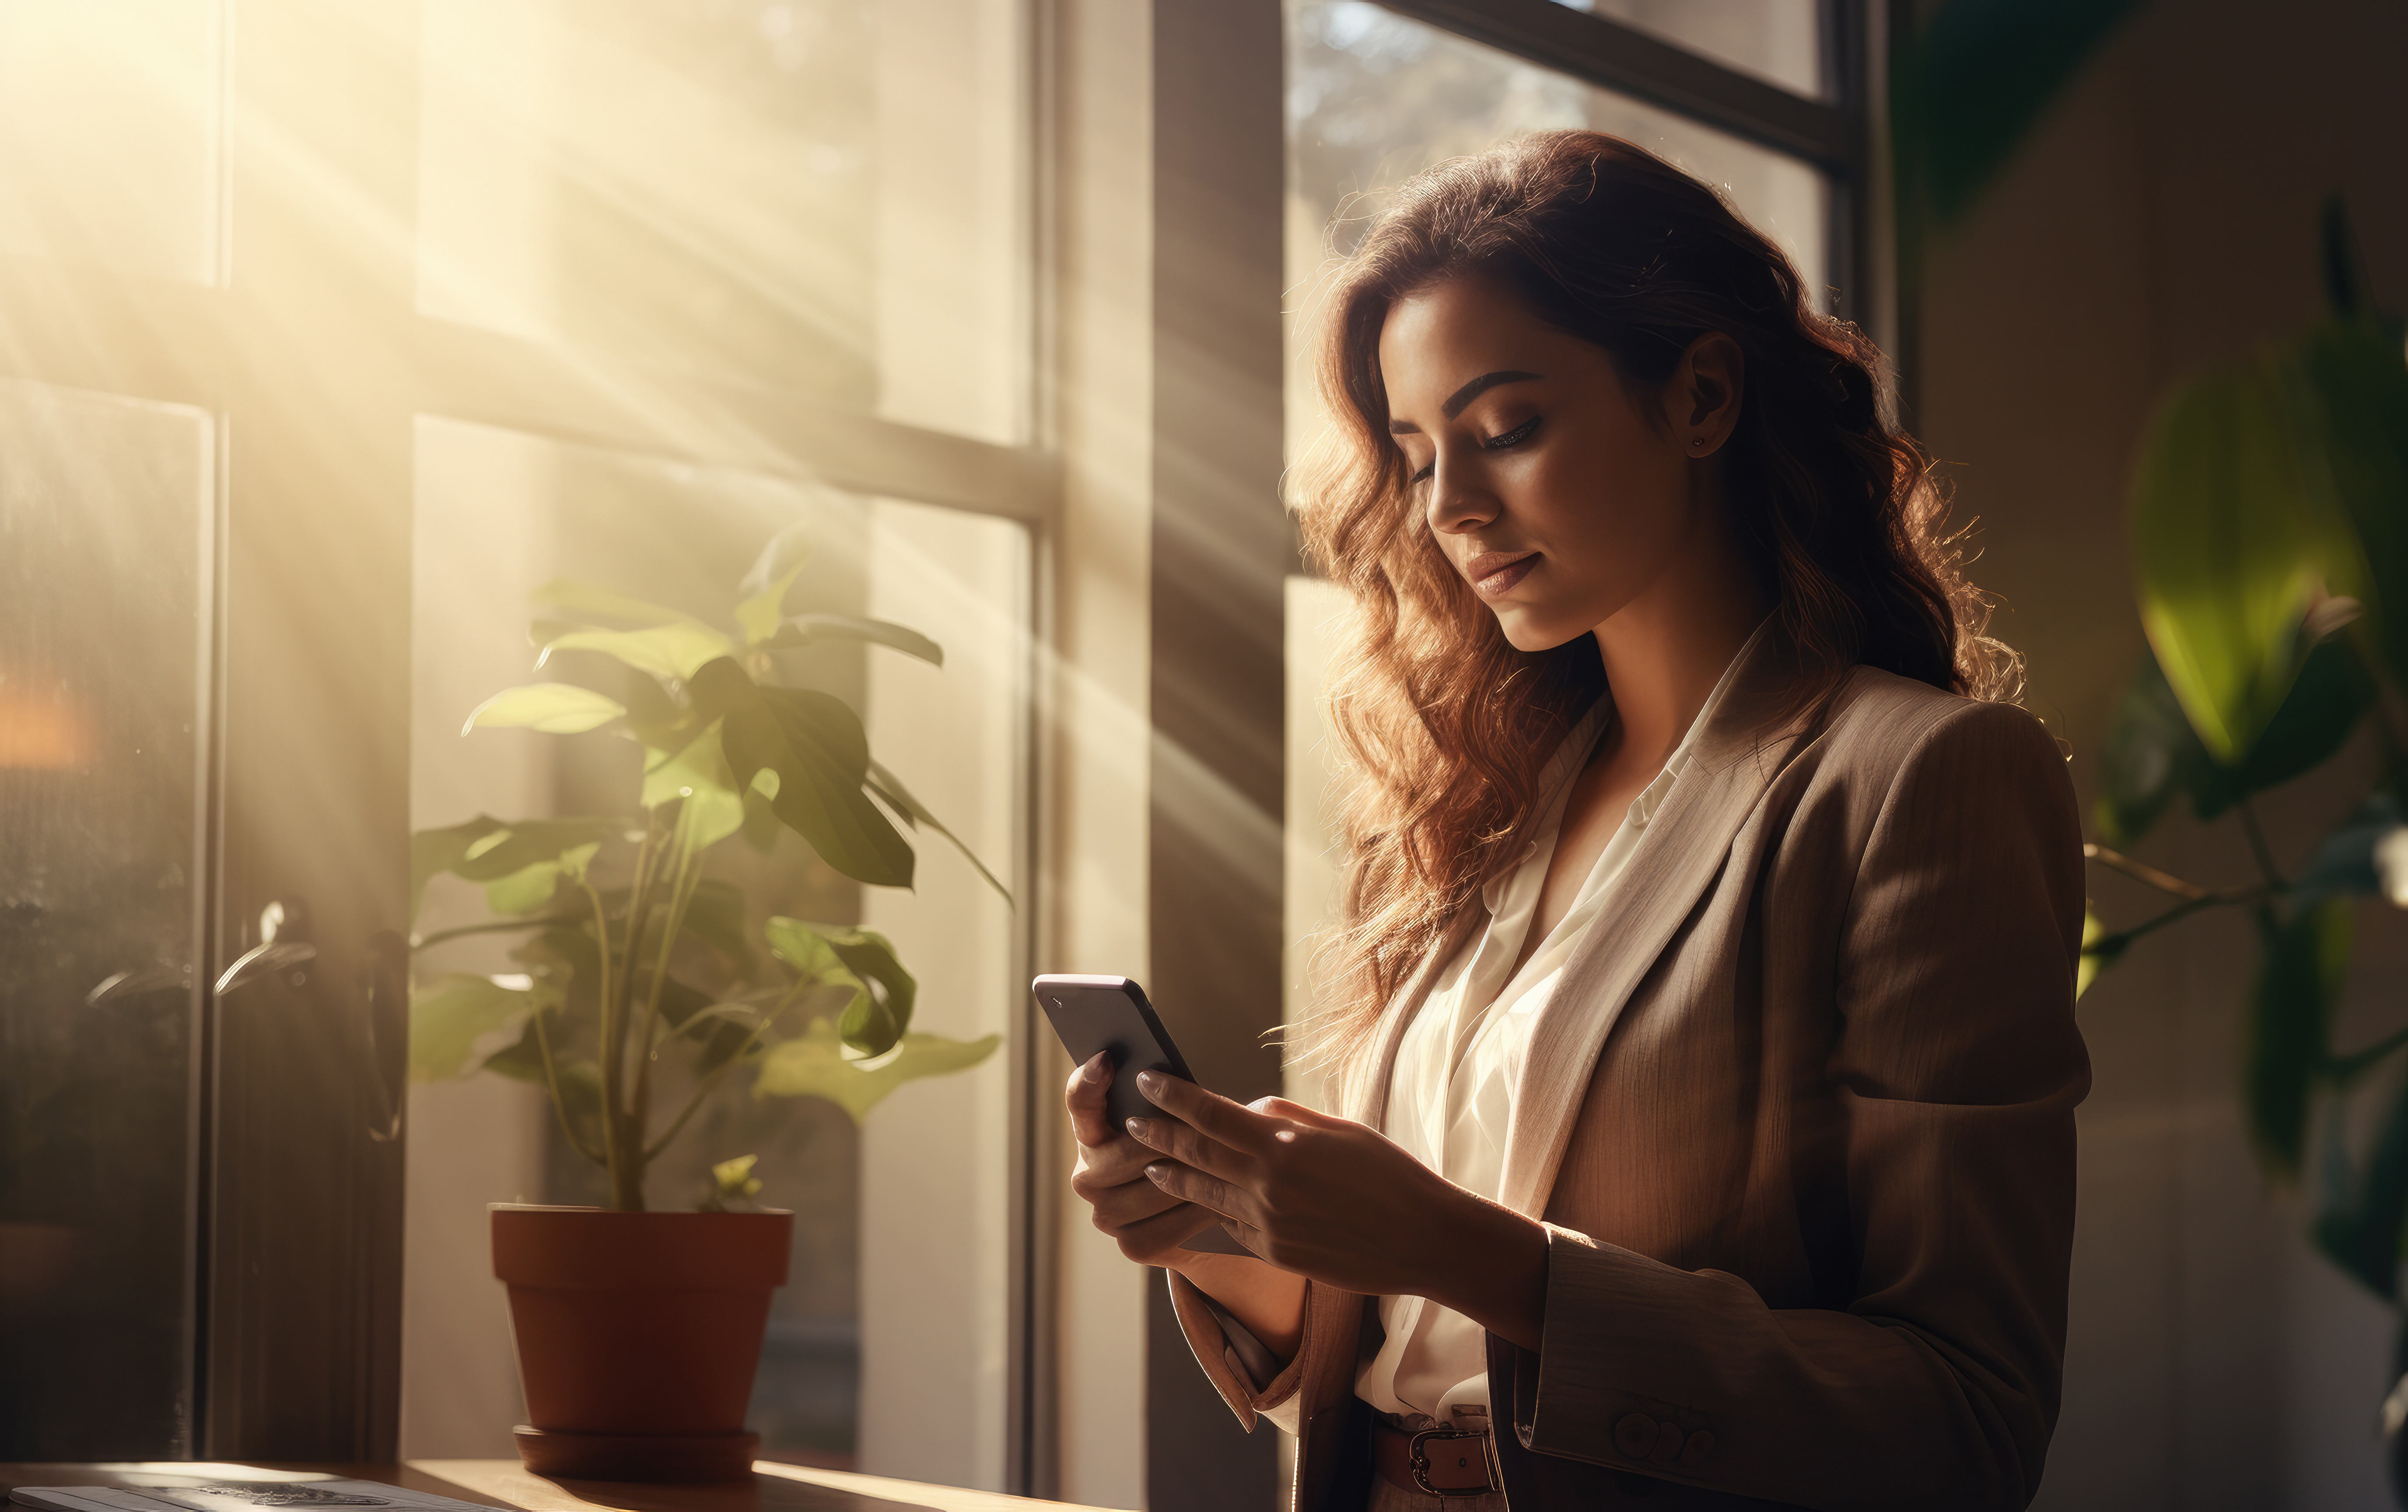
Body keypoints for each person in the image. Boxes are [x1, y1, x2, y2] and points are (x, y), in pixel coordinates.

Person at [1065, 130, 2087, 1512]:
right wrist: (1233, 1233)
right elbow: (1413, 1352)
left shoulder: (1920, 783)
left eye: (1506, 430)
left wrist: (1473, 1252)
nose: (1452, 510)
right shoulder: (1482, 806)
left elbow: (1966, 1424)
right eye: (1418, 454)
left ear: (1704, 395)